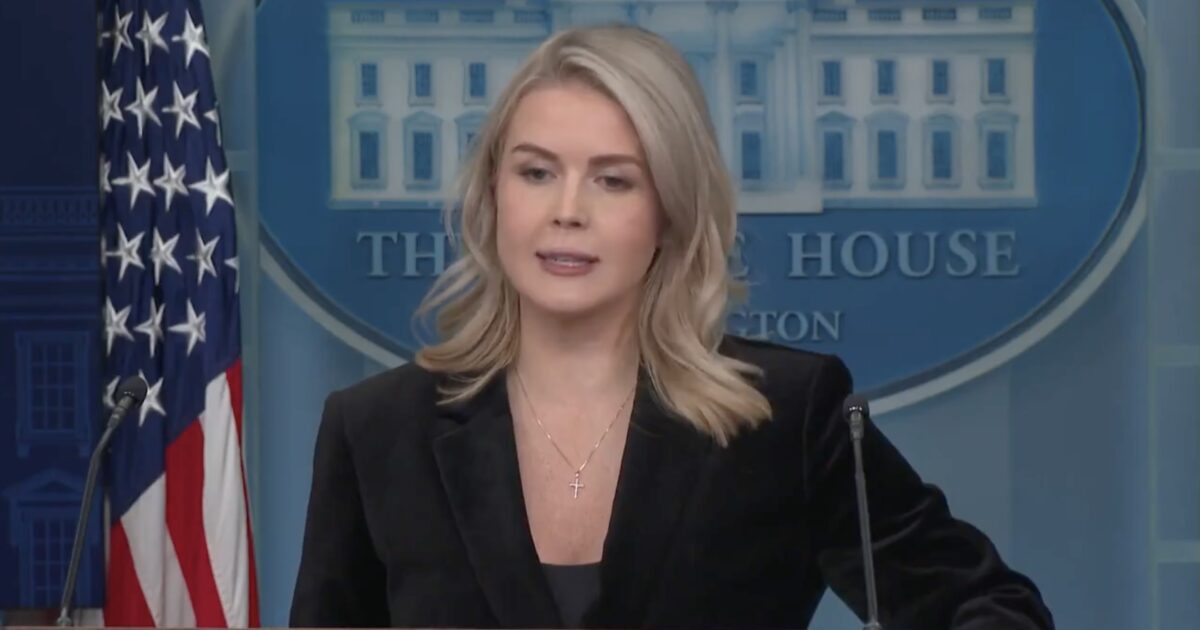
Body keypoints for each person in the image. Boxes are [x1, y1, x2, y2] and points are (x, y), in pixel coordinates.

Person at [290, 23, 1054, 630]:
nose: (567, 209)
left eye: (614, 179)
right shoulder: (375, 429)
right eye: (536, 171)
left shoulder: (786, 415)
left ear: (670, 211)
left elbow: (991, 611)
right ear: (494, 197)